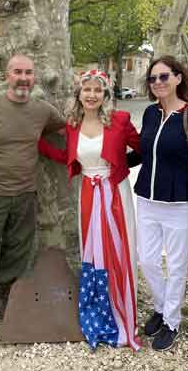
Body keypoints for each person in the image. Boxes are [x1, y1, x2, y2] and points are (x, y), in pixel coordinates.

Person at [38, 69, 142, 351]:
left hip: (114, 193)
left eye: (98, 90)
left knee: (118, 249)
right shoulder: (72, 124)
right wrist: (39, 146)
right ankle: (99, 307)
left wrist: (120, 166)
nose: (92, 95)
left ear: (106, 95)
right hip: (87, 192)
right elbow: (68, 156)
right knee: (92, 249)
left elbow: (143, 148)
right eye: (88, 90)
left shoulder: (120, 120)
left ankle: (122, 308)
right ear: (79, 94)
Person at [0, 54, 65, 331]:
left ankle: (3, 293)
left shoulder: (43, 110)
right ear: (7, 75)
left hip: (25, 192)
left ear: (34, 78)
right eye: (18, 72)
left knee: (18, 245)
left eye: (28, 72)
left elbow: (68, 126)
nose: (23, 78)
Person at [133, 55, 188, 351]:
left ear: (179, 78)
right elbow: (146, 153)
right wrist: (108, 161)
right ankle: (160, 305)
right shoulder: (150, 114)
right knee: (147, 260)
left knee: (178, 266)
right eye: (153, 78)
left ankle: (171, 320)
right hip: (147, 200)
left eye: (164, 76)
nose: (158, 83)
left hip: (182, 205)